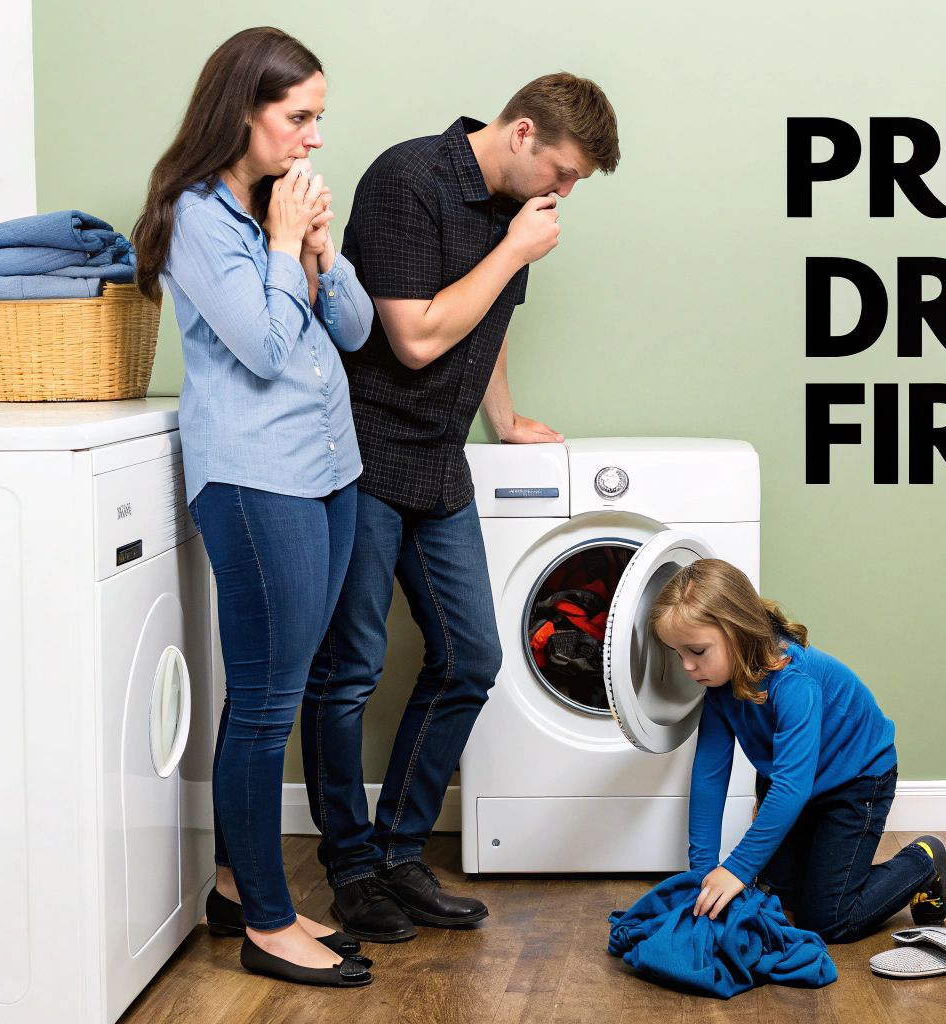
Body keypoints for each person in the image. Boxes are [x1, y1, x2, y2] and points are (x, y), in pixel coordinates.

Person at [302, 73, 621, 942]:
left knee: (471, 657)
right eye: (561, 171)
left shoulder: (515, 211)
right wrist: (515, 248)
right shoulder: (408, 182)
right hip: (364, 455)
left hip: (440, 462)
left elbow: (489, 323)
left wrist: (505, 419)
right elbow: (413, 336)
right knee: (349, 670)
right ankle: (352, 868)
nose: (563, 192)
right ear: (522, 133)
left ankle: (401, 854)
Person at [132, 26, 373, 987]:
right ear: (243, 110)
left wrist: (318, 247)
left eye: (320, 118)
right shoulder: (196, 217)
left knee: (279, 686)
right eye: (299, 117)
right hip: (253, 480)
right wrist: (280, 243)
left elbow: (349, 330)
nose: (314, 138)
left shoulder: (280, 212)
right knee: (270, 701)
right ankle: (269, 924)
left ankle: (239, 883)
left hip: (327, 467)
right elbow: (266, 350)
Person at [648, 558, 946, 943]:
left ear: (737, 630)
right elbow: (710, 777)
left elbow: (791, 787)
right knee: (780, 896)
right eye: (679, 655)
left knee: (825, 920)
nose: (688, 667)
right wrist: (701, 874)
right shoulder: (718, 687)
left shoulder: (794, 681)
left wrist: (738, 867)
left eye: (697, 651)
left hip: (855, 781)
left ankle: (923, 860)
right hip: (791, 780)